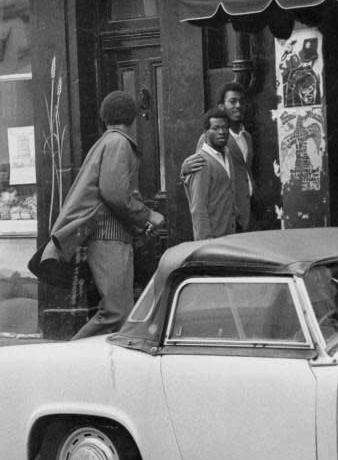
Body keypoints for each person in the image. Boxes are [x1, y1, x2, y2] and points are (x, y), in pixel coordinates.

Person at [40, 90, 164, 339]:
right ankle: (68, 361)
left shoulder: (106, 142)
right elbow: (114, 193)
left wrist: (138, 221)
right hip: (109, 236)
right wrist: (148, 214)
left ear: (103, 117)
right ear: (132, 118)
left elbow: (112, 192)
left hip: (108, 234)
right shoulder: (119, 143)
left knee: (120, 314)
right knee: (116, 314)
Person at [181, 81, 260, 231]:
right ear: (221, 107)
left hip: (248, 212)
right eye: (232, 101)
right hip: (225, 217)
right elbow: (198, 169)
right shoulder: (211, 138)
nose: (238, 106)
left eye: (241, 102)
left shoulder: (247, 137)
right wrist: (184, 170)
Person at [184, 106, 237, 240]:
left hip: (231, 236)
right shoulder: (201, 162)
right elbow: (198, 209)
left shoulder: (228, 155)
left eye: (225, 128)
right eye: (216, 128)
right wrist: (206, 243)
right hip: (212, 240)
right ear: (206, 132)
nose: (221, 132)